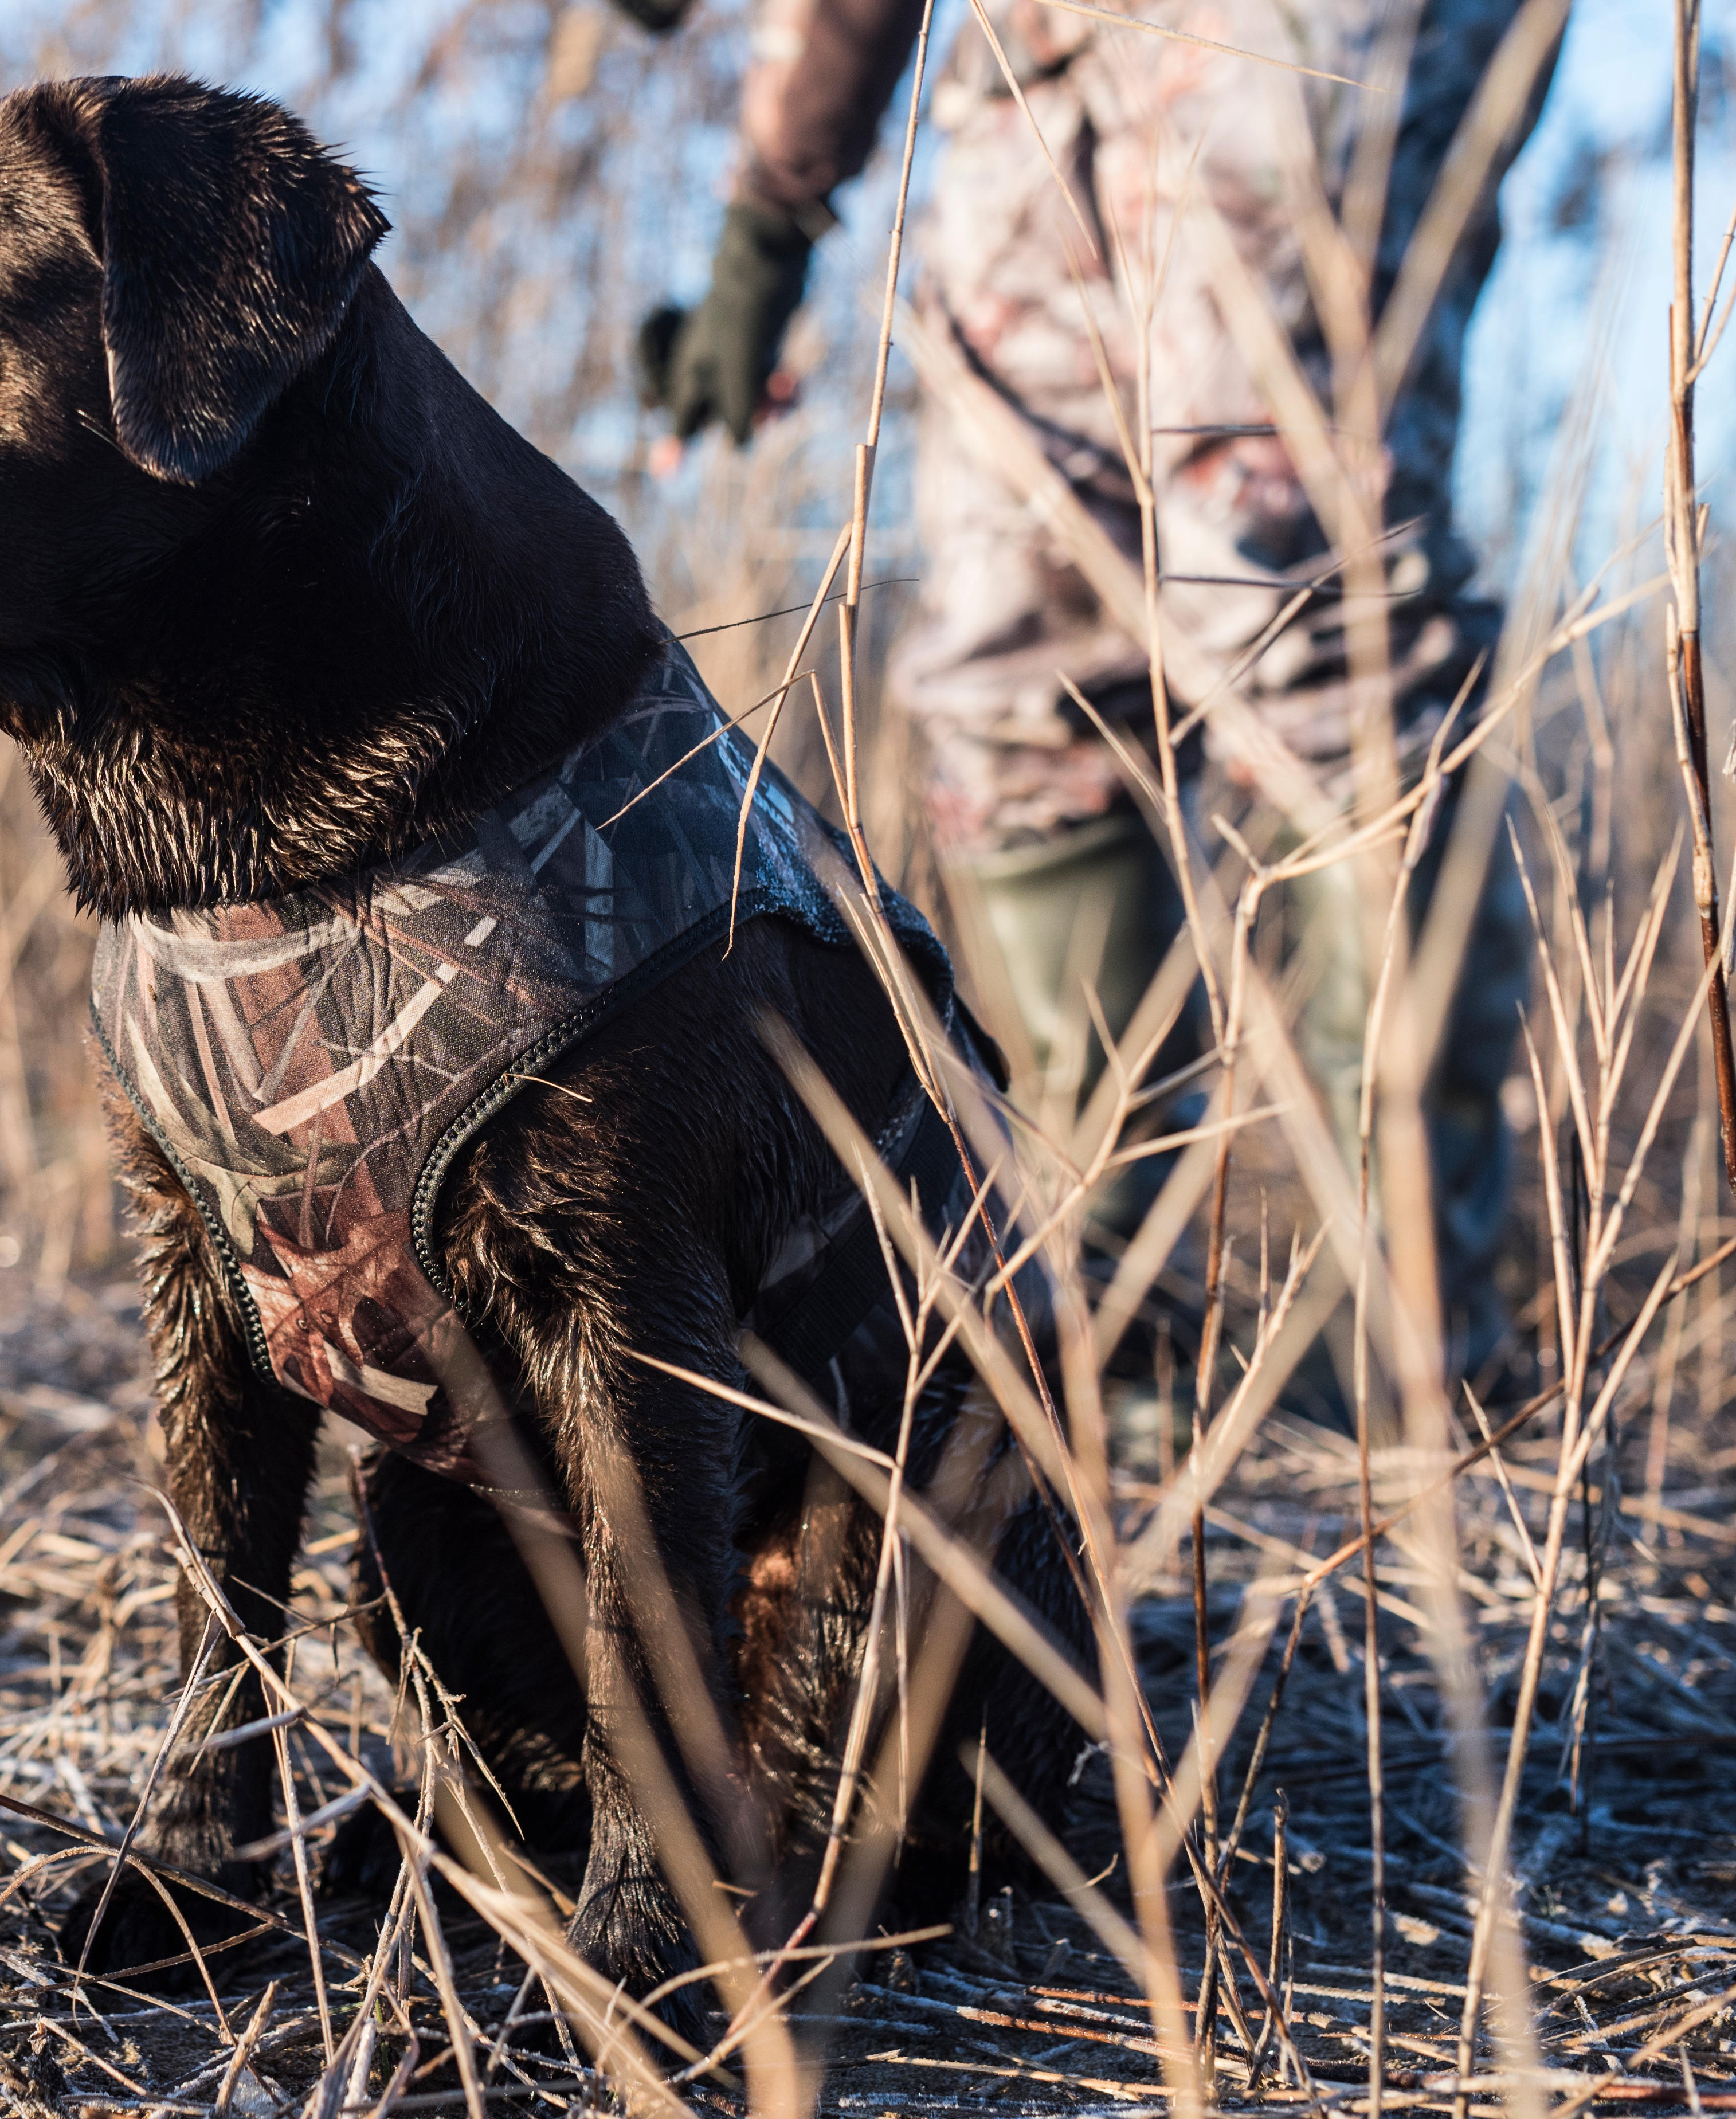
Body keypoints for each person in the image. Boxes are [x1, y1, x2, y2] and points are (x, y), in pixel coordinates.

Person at [617, 0, 1553, 1378]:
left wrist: (768, 209)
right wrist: (765, 222)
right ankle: (1121, 1312)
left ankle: (1416, 1338)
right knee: (1012, 666)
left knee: (1298, 611)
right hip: (1040, 52)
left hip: (1293, 34)